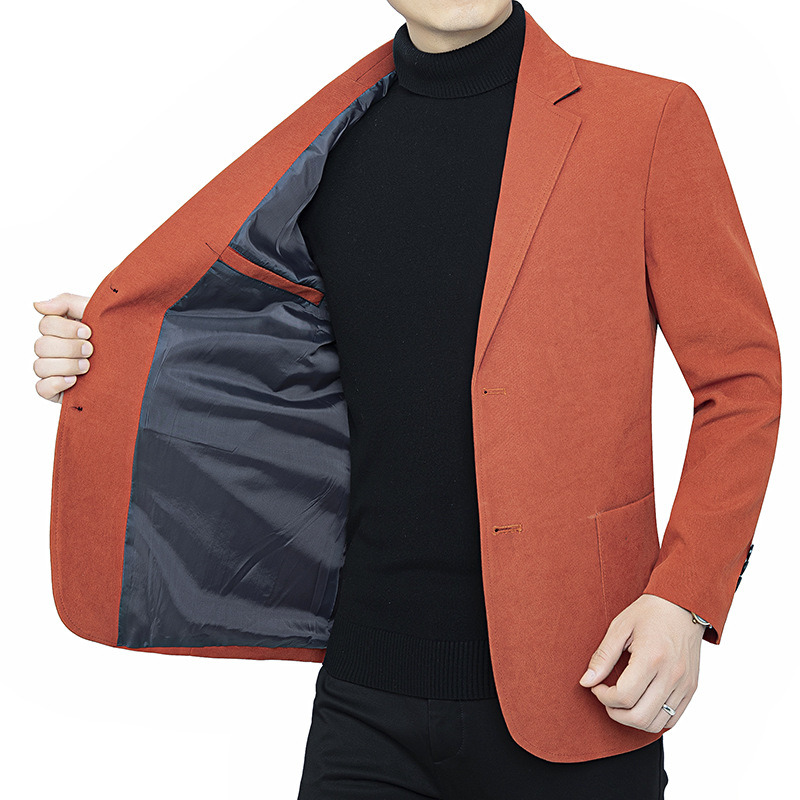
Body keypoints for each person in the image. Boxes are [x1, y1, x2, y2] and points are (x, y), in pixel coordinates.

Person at [31, 2, 781, 798]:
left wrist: (683, 597)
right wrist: (114, 352)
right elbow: (271, 354)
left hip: (583, 688)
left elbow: (740, 381)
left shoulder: (648, 121)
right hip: (367, 696)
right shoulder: (334, 141)